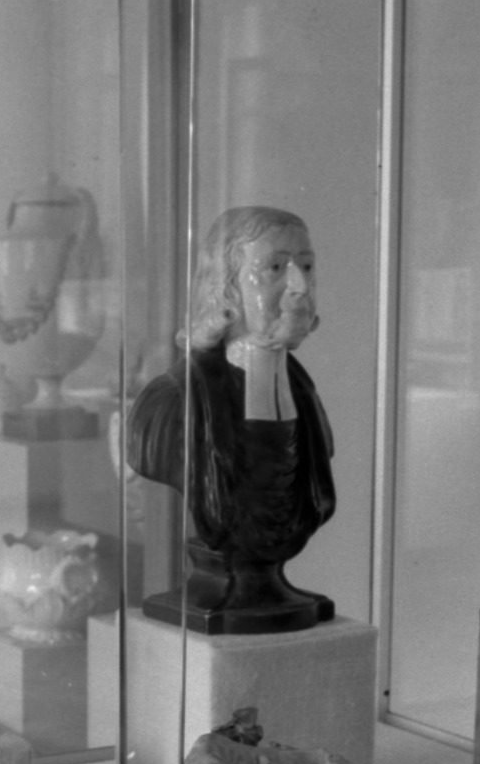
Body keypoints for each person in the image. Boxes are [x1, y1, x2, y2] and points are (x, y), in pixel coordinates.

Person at [126, 206, 336, 633]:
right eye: (275, 268)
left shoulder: (307, 401)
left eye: (306, 266)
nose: (299, 286)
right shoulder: (171, 405)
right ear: (227, 289)